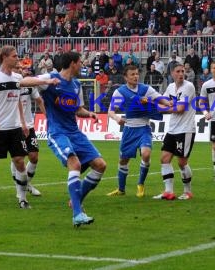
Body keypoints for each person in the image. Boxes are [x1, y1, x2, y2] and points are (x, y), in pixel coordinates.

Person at [0, 45, 59, 209]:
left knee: (20, 162)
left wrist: (46, 81)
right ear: (4, 57)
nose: (17, 58)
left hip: (15, 129)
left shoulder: (18, 78)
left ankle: (23, 199)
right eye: (14, 56)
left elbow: (28, 84)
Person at [37, 51, 108, 227]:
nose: (82, 66)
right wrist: (44, 81)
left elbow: (77, 109)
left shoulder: (76, 85)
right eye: (80, 63)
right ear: (73, 63)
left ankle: (75, 200)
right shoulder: (52, 78)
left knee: (100, 165)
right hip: (57, 132)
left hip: (74, 132)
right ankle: (78, 213)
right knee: (74, 164)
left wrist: (89, 113)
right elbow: (24, 82)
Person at [107, 65, 171, 197]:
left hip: (144, 129)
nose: (136, 76)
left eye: (137, 74)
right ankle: (121, 189)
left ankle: (140, 184)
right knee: (123, 160)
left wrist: (168, 103)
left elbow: (159, 98)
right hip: (129, 130)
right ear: (126, 77)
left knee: (146, 154)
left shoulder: (145, 89)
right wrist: (116, 118)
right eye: (132, 74)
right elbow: (110, 111)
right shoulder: (120, 92)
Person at [153, 63, 196, 200]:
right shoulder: (170, 87)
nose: (181, 74)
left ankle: (188, 191)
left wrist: (165, 108)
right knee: (164, 159)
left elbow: (180, 109)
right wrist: (165, 106)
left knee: (181, 162)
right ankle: (168, 191)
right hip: (172, 129)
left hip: (185, 129)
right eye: (178, 71)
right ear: (172, 74)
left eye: (182, 71)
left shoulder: (188, 86)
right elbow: (161, 103)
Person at [10, 62, 46, 197]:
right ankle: (19, 187)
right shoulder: (11, 85)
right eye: (18, 68)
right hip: (14, 126)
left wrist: (48, 117)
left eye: (23, 68)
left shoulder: (29, 86)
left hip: (29, 126)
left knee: (34, 157)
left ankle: (27, 184)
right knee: (18, 158)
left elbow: (39, 100)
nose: (21, 70)